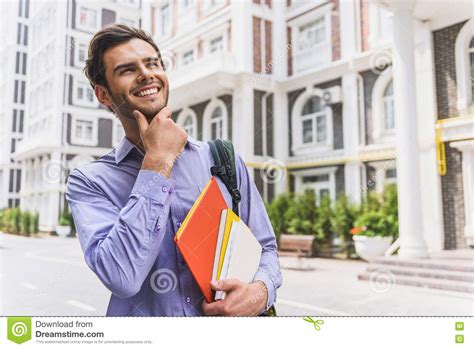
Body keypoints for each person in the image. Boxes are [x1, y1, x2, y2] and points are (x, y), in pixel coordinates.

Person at [66, 24, 282, 316]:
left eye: (153, 63)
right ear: (103, 94)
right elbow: (122, 277)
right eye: (127, 69)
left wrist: (259, 292)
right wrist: (158, 163)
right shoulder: (89, 182)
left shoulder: (221, 158)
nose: (146, 73)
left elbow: (266, 247)